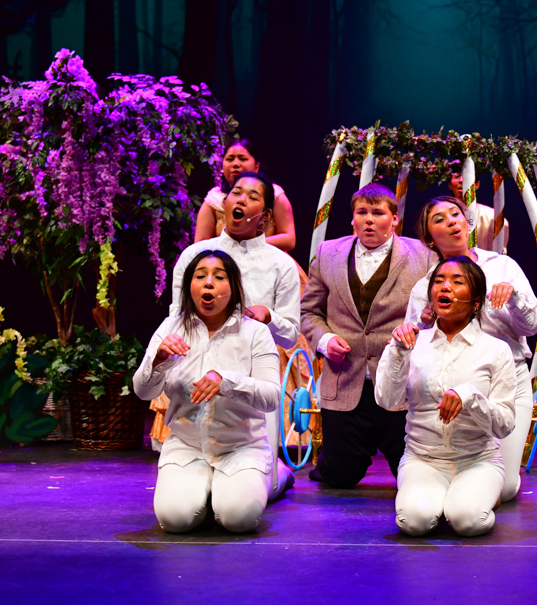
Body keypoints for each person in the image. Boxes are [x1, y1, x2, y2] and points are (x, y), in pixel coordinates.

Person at [401, 195, 537, 503]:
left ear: (467, 223)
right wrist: (425, 324)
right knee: (450, 470)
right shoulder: (427, 287)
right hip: (454, 386)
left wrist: (514, 297)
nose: (452, 222)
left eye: (455, 214)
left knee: (505, 488)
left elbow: (534, 326)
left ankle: (470, 495)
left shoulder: (502, 266)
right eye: (439, 219)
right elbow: (412, 345)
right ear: (429, 238)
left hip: (507, 380)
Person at [170, 170, 301, 499]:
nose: (241, 200)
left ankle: (279, 475)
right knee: (190, 497)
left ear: (265, 215)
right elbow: (176, 319)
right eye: (236, 193)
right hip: (200, 376)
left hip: (251, 385)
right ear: (225, 202)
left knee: (256, 493)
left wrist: (268, 316)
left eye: (252, 197)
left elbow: (290, 335)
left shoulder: (280, 264)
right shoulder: (194, 256)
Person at [300, 183, 438, 488]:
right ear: (352, 218)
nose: (369, 219)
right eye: (362, 212)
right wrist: (324, 340)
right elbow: (308, 311)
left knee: (412, 477)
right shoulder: (328, 253)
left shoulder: (424, 256)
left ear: (394, 218)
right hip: (345, 378)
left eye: (378, 213)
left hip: (399, 383)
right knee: (339, 476)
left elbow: (438, 311)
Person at [133, 250, 281, 533]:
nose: (209, 283)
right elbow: (142, 391)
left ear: (233, 287)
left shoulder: (254, 332)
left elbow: (271, 396)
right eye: (200, 276)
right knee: (175, 520)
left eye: (219, 277)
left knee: (238, 519)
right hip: (187, 447)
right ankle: (209, 490)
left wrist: (226, 381)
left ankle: (276, 475)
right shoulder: (171, 328)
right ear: (190, 286)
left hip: (241, 447)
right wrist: (159, 360)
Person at [377, 257, 516, 537]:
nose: (445, 287)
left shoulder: (496, 350)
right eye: (439, 281)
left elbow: (504, 425)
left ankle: (472, 498)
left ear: (476, 300)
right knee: (413, 522)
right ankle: (444, 500)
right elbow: (387, 401)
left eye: (457, 281)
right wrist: (398, 353)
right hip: (423, 460)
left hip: (477, 459)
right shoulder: (411, 343)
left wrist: (470, 396)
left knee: (467, 521)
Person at [194, 139, 296, 251]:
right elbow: (200, 246)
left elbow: (289, 240)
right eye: (230, 159)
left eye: (243, 159)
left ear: (257, 166)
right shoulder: (214, 199)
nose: (235, 164)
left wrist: (247, 245)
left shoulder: (274, 195)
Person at [449, 169, 509, 253]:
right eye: (456, 176)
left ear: (477, 184)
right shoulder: (441, 217)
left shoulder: (492, 217)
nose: (461, 180)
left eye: (466, 176)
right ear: (450, 185)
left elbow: (499, 253)